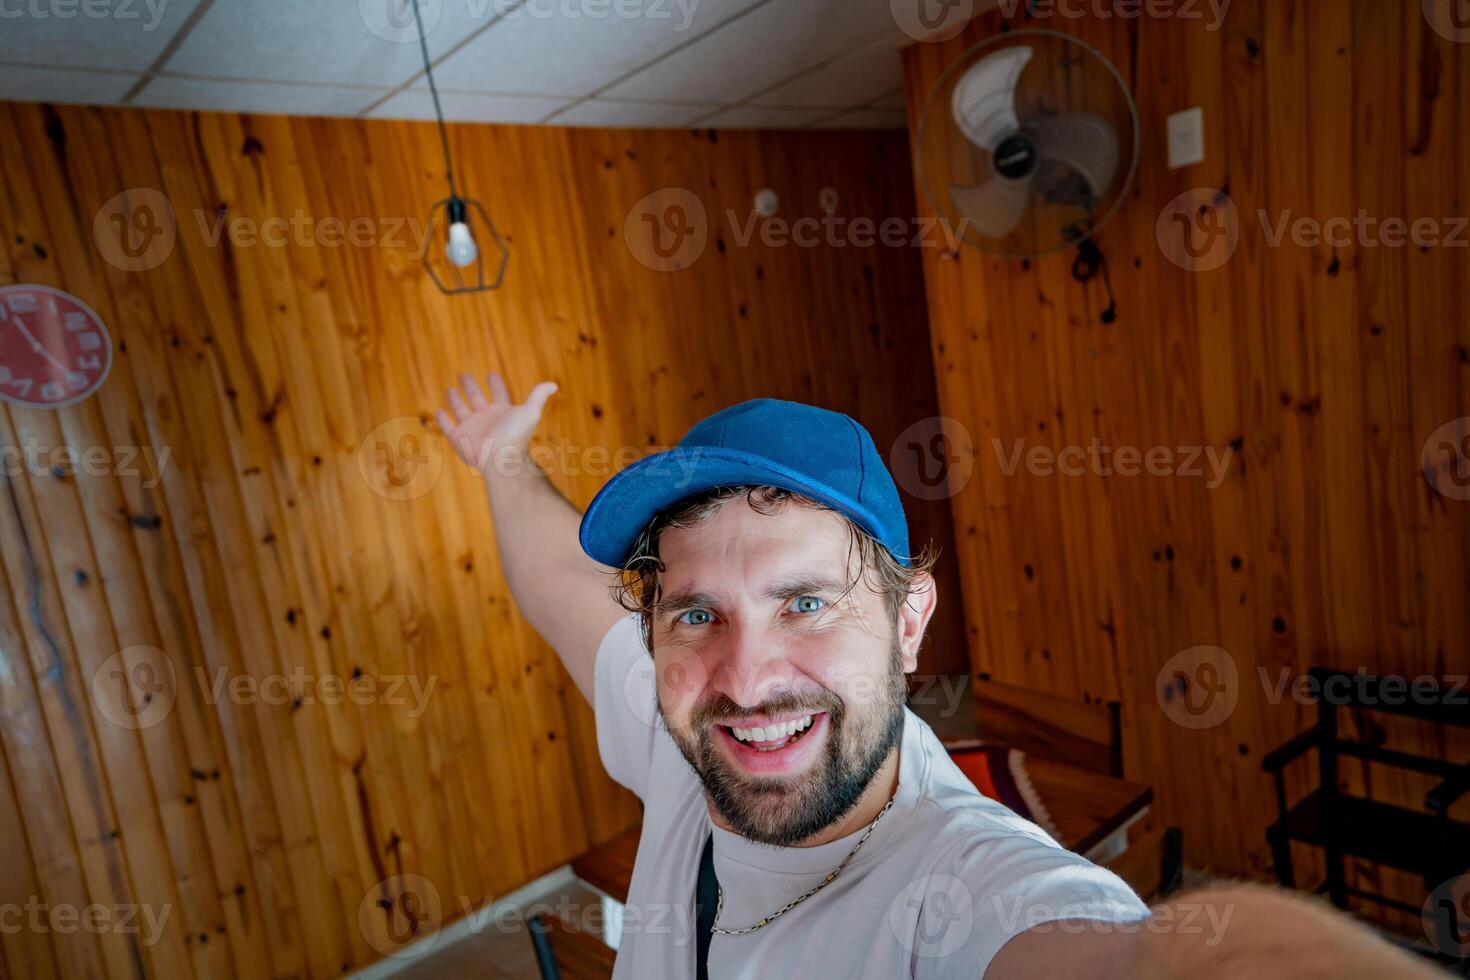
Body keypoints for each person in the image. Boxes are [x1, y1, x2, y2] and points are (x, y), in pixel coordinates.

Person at [436, 374, 1439, 979]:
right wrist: (504, 459)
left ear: (908, 620)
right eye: (698, 613)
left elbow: (1133, 956)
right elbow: (560, 578)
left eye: (806, 602)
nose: (744, 676)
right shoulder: (676, 734)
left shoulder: (961, 892)